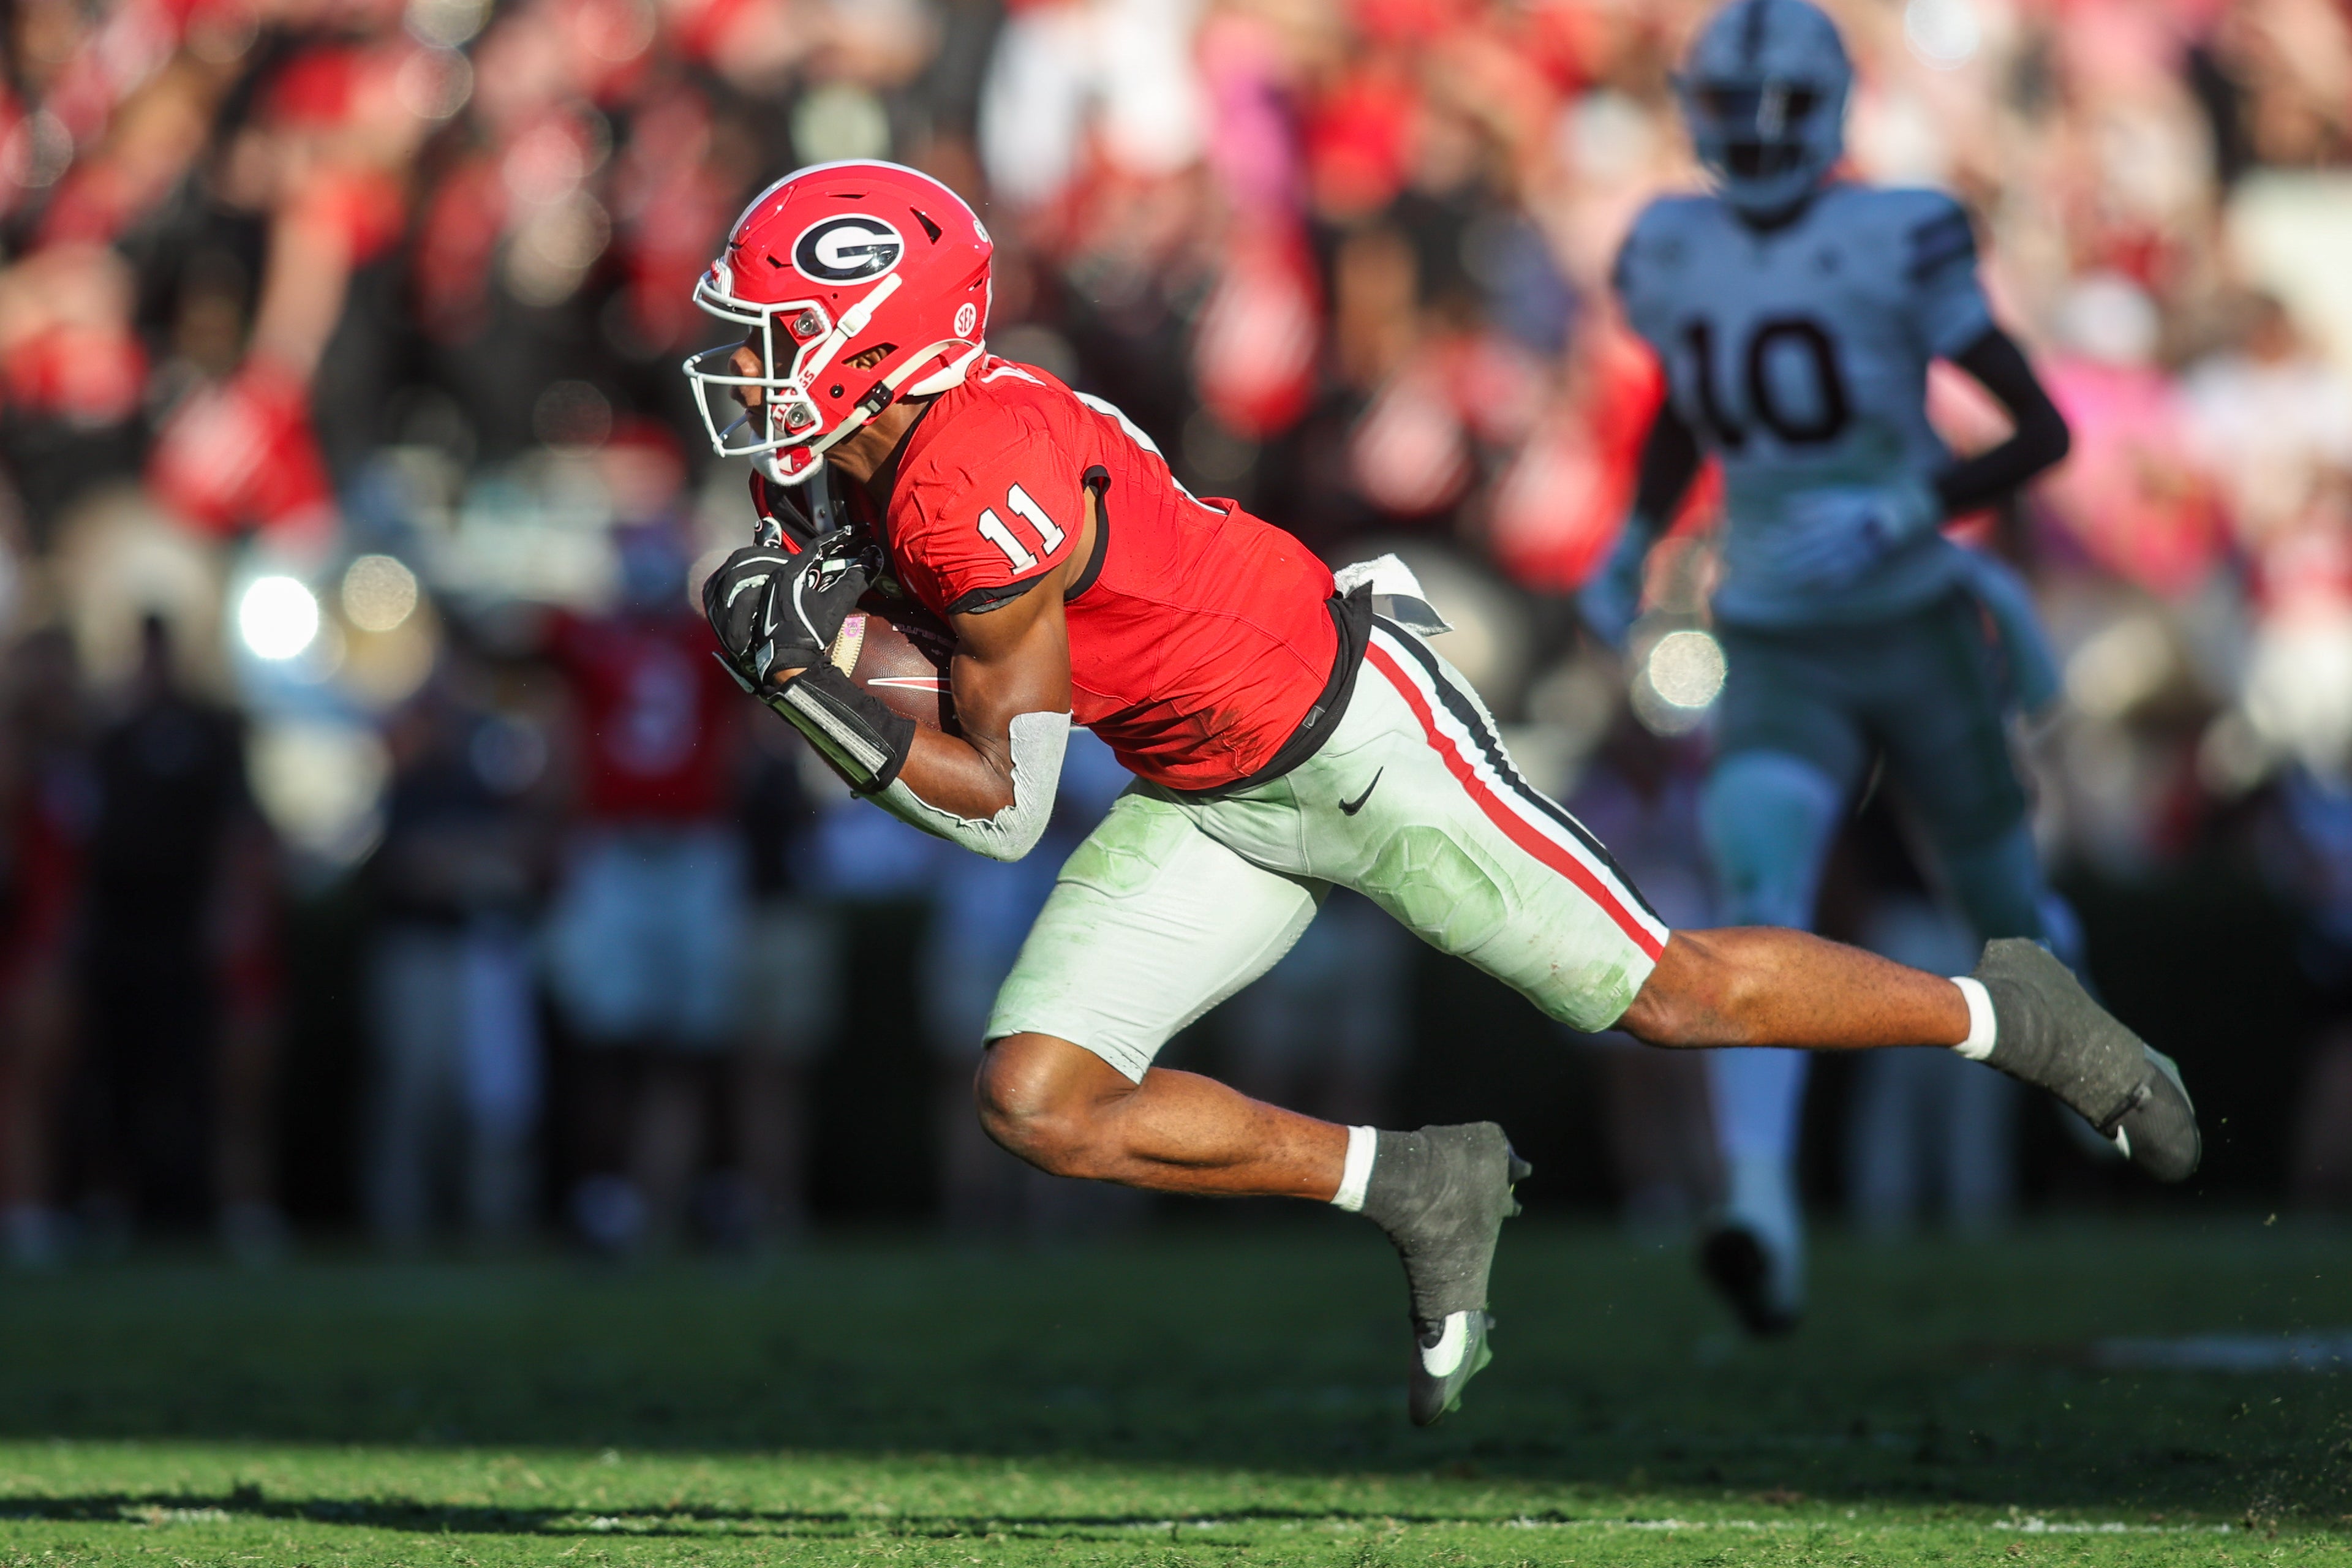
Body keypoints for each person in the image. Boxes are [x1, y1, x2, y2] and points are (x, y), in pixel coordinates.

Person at [684, 159, 2196, 1426]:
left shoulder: (970, 468)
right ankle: (1416, 1183)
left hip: (1350, 733)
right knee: (1040, 1098)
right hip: (1200, 782)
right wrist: (834, 670)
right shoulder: (841, 466)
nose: (743, 371)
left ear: (883, 339)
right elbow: (1000, 730)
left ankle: (2014, 1012)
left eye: (775, 336)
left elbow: (1003, 802)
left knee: (1666, 996)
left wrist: (811, 687)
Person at [1581, 0, 2086, 1336]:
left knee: (2004, 905)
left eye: (1776, 107)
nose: (1751, 131)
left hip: (1917, 617)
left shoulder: (1897, 232)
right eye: (1731, 105)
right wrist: (1636, 536)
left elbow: (2039, 428)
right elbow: (1692, 405)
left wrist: (1914, 503)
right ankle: (1759, 1203)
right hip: (1779, 634)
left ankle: (2106, 1075)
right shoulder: (1671, 245)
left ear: (1831, 110)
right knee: (1759, 886)